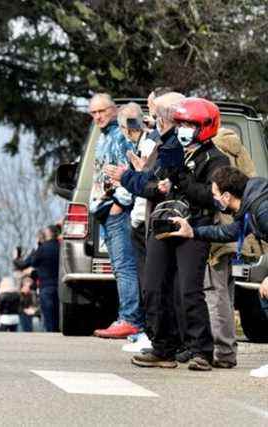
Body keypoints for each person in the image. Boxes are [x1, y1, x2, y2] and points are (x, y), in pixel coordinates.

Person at [116, 97, 228, 371]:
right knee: (153, 287)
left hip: (193, 228)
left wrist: (180, 178)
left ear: (204, 126)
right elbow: (153, 182)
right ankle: (162, 346)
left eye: (190, 124)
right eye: (181, 123)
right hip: (162, 225)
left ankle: (200, 349)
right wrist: (147, 182)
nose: (184, 129)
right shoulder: (170, 150)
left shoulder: (216, 159)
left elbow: (210, 197)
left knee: (188, 290)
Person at [167, 166, 268, 376]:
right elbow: (228, 231)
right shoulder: (251, 205)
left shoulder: (261, 208)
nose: (214, 199)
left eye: (215, 194)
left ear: (227, 196)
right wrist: (193, 232)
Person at [87, 93, 144, 339]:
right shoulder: (103, 137)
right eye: (93, 113)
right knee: (119, 267)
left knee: (125, 266)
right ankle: (126, 317)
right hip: (104, 208)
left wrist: (119, 203)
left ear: (114, 110)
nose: (98, 116)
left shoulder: (121, 135)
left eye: (102, 111)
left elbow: (130, 169)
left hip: (117, 209)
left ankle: (130, 319)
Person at [117, 102, 155, 351]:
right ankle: (148, 331)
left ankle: (150, 333)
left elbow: (146, 183)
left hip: (146, 218)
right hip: (139, 218)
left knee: (149, 281)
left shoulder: (149, 144)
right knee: (144, 279)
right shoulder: (141, 144)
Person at [20, 227, 60, 332]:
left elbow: (33, 262)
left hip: (46, 285)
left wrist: (36, 247)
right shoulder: (61, 246)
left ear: (49, 234)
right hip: (60, 285)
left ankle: (51, 333)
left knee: (48, 314)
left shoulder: (43, 248)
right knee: (57, 312)